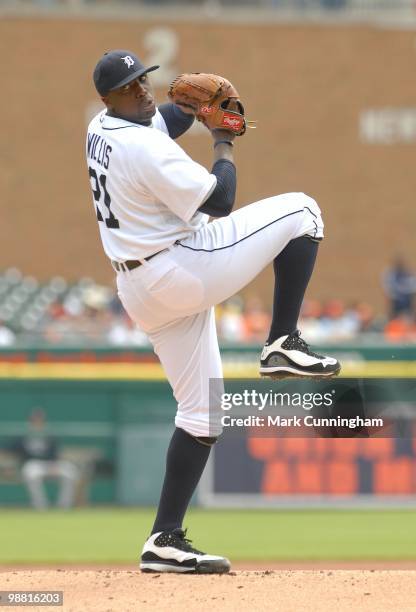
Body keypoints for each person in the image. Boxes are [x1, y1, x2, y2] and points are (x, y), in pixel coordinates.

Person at [87, 49, 340, 574]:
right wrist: (222, 136)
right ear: (109, 97)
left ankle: (164, 540)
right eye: (131, 86)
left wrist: (192, 113)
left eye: (143, 80)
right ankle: (281, 342)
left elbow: (158, 124)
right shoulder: (144, 150)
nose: (143, 90)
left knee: (202, 414)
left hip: (142, 287)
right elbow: (220, 198)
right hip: (179, 267)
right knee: (303, 211)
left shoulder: (101, 127)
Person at [11, 410, 79, 510]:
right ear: (30, 422)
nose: (38, 422)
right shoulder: (23, 435)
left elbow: (56, 454)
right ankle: (41, 507)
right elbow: (11, 449)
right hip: (34, 464)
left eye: (40, 420)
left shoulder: (49, 435)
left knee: (71, 472)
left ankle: (63, 507)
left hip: (51, 464)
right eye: (35, 420)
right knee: (30, 472)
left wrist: (54, 465)